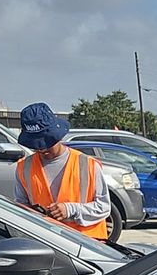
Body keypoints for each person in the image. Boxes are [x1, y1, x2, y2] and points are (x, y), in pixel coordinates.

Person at [12, 102, 111, 240]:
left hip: (88, 246)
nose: (42, 149)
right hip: (49, 244)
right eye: (36, 145)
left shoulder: (87, 165)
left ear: (57, 135)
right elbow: (21, 207)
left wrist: (71, 210)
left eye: (47, 143)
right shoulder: (24, 167)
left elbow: (104, 207)